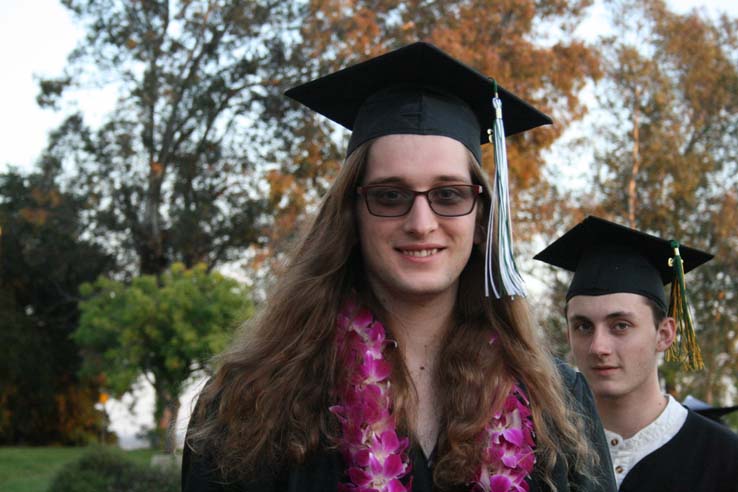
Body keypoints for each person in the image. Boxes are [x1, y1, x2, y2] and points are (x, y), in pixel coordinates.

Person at [182, 42, 616, 492]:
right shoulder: (252, 398)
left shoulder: (558, 403)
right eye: (390, 195)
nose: (421, 223)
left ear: (482, 217)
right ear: (352, 213)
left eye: (448, 195)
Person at [535, 215, 738, 491]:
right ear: (568, 334)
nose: (598, 347)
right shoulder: (543, 454)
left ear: (665, 334)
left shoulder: (724, 459)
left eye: (621, 326)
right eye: (583, 326)